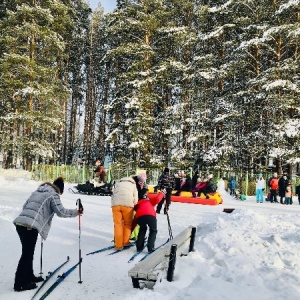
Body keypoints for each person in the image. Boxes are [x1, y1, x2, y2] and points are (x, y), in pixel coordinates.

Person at [13, 177, 82, 292]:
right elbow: (61, 212)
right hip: (30, 226)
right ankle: (20, 284)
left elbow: (25, 206)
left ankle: (29, 276)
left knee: (28, 252)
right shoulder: (53, 194)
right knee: (27, 254)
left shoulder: (38, 191)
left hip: (20, 223)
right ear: (59, 189)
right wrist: (76, 212)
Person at [111, 177, 138, 250]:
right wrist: (135, 205)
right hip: (128, 206)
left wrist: (113, 204)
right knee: (127, 224)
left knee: (118, 225)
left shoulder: (118, 184)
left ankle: (118, 245)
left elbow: (113, 195)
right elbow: (135, 197)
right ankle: (125, 242)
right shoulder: (133, 185)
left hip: (115, 205)